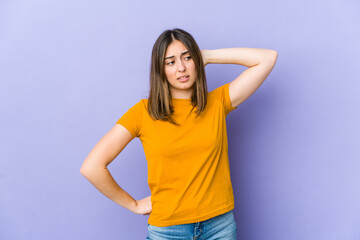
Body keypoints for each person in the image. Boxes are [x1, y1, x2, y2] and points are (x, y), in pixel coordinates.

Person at [80, 28, 278, 239]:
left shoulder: (218, 102)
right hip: (168, 231)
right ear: (161, 69)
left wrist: (208, 55)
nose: (181, 68)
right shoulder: (142, 113)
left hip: (219, 226)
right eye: (171, 62)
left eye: (188, 57)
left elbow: (267, 58)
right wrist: (134, 205)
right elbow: (91, 167)